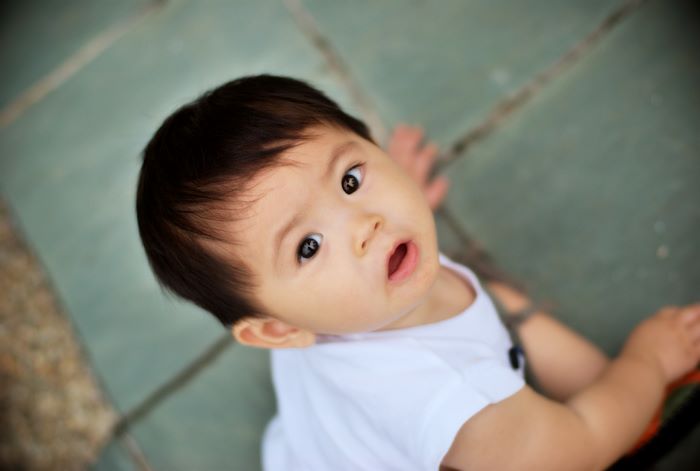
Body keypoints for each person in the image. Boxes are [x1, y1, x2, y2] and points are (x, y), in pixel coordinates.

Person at [135, 74, 700, 470]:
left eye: (351, 178)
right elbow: (580, 451)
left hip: (315, 447)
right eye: (308, 246)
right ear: (278, 330)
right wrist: (647, 360)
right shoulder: (448, 401)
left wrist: (388, 181)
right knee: (601, 424)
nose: (366, 224)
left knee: (498, 313)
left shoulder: (328, 300)